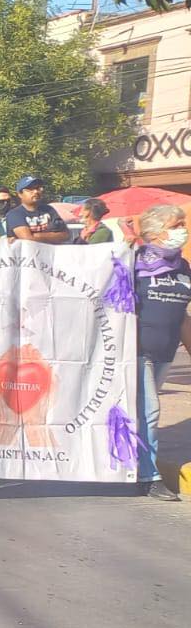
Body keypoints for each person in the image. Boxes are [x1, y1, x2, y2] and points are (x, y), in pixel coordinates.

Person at [132, 203, 191, 501]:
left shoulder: (183, 267)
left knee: (141, 414)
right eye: (176, 223)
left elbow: (182, 315)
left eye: (183, 222)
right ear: (155, 232)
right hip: (138, 350)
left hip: (166, 352)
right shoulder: (135, 261)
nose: (183, 228)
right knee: (149, 411)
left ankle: (128, 462)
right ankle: (149, 476)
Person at [6, 175, 69, 244]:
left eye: (38, 188)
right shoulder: (14, 214)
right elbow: (27, 239)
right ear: (20, 194)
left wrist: (37, 235)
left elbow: (66, 235)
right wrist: (53, 236)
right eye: (30, 189)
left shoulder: (49, 209)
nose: (36, 192)